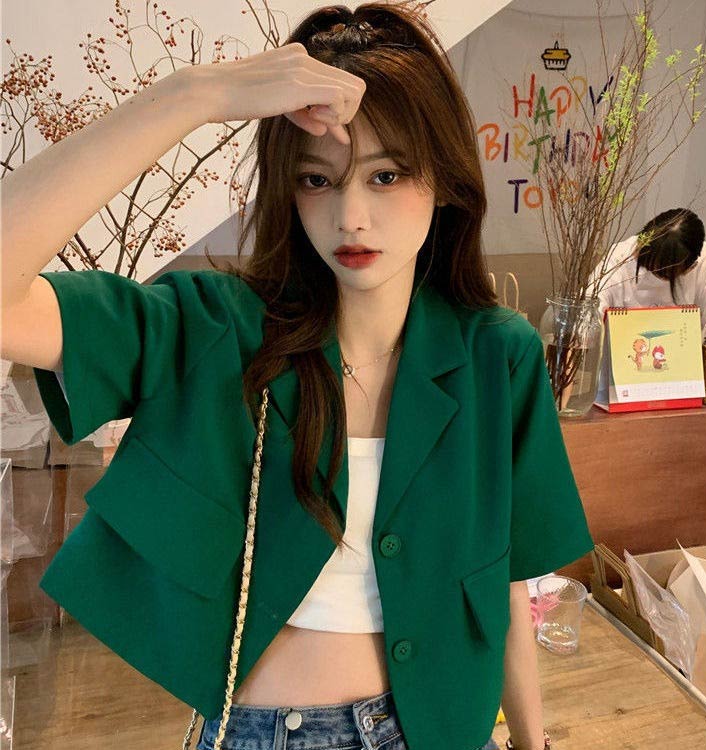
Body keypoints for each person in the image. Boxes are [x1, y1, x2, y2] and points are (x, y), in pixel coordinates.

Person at [1, 4, 593, 750]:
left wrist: (534, 741)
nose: (351, 215)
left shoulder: (496, 356)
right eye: (318, 180)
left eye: (385, 175)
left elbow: (502, 581)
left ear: (443, 180)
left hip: (440, 731)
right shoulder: (218, 330)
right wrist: (193, 95)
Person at [588, 208, 706, 331]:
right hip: (624, 357)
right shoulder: (619, 257)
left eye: (660, 273)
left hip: (685, 360)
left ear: (689, 268)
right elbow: (590, 310)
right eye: (645, 263)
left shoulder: (702, 258)